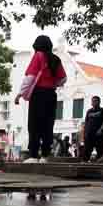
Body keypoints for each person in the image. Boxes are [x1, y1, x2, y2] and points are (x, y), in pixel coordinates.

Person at [15, 35, 67, 163]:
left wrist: (20, 94)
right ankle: (45, 156)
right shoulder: (56, 59)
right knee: (48, 125)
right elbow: (63, 79)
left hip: (38, 94)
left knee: (34, 125)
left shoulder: (38, 55)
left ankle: (33, 156)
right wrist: (53, 84)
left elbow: (30, 77)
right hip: (51, 95)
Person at [82, 96, 103, 162]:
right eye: (92, 101)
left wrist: (101, 130)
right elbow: (86, 123)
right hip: (89, 135)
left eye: (95, 101)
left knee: (101, 151)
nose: (94, 102)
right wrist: (85, 134)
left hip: (99, 136)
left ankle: (100, 166)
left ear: (99, 102)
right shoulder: (89, 111)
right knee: (87, 151)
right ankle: (84, 164)